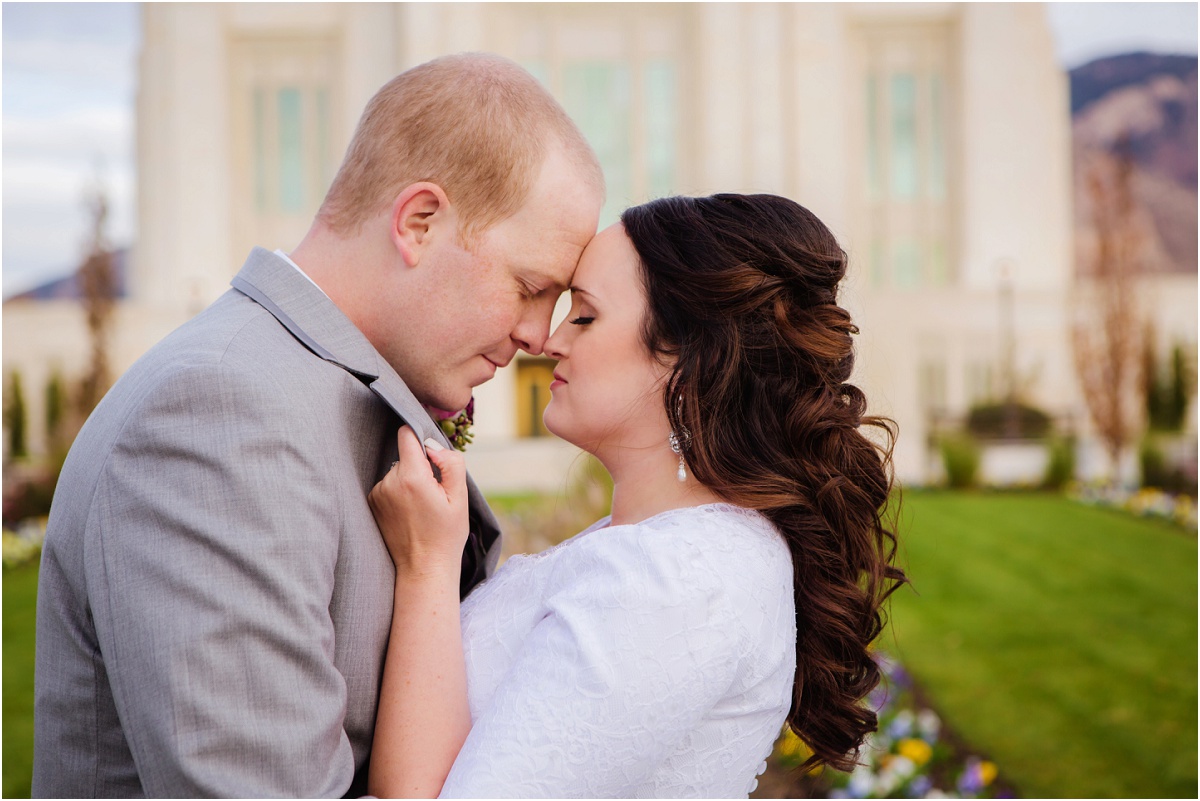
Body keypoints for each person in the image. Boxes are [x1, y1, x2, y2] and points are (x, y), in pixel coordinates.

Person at [32, 53, 603, 798]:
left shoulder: (314, 396)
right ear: (419, 222)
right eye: (531, 288)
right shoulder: (218, 414)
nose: (537, 335)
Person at [367, 193, 909, 797]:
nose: (549, 342)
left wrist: (427, 568)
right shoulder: (665, 549)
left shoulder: (674, 581)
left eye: (586, 315)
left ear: (686, 360)